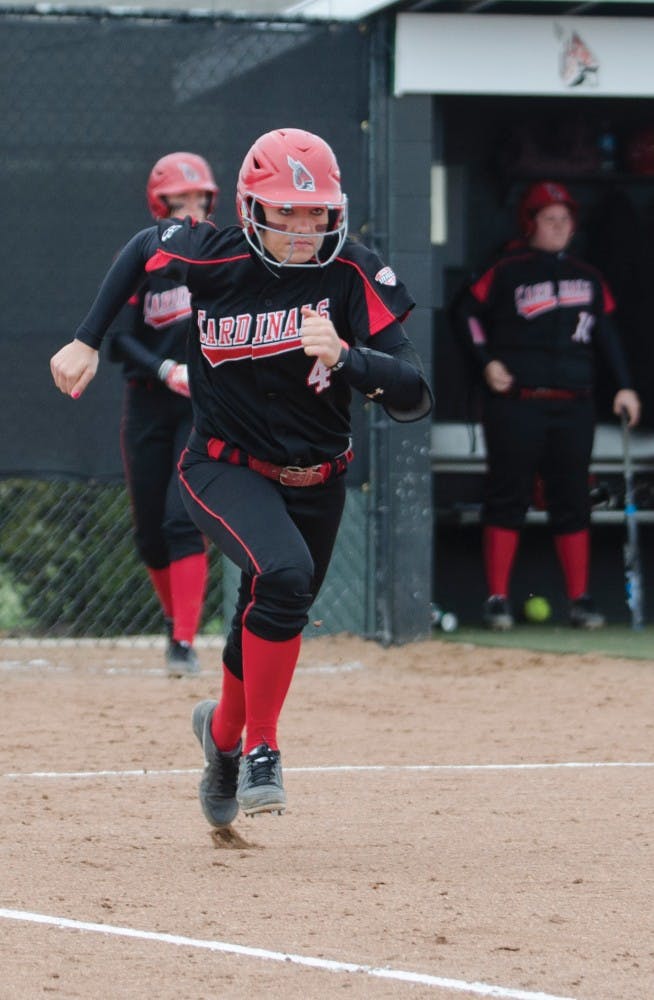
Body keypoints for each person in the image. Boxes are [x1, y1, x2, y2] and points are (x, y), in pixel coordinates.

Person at [50, 127, 433, 824]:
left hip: (318, 477)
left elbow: (414, 394)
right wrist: (85, 337)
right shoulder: (211, 253)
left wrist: (350, 359)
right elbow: (143, 248)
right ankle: (263, 749)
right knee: (284, 576)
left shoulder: (351, 272)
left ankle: (221, 740)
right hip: (221, 464)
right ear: (251, 208)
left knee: (270, 608)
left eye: (315, 212)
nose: (302, 226)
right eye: (285, 210)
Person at [453, 180, 640, 631]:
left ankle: (581, 600)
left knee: (573, 500)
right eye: (549, 219)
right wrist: (486, 363)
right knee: (508, 497)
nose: (558, 227)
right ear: (530, 223)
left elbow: (607, 336)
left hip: (574, 405)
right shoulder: (506, 268)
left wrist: (625, 386)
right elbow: (464, 315)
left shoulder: (589, 276)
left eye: (565, 219)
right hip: (517, 403)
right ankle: (497, 599)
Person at [108, 152, 219, 676]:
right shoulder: (144, 257)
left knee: (182, 519)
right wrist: (164, 370)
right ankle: (177, 625)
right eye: (181, 199)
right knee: (150, 532)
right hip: (150, 400)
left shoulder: (220, 254)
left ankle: (183, 641)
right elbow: (120, 340)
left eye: (200, 198)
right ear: (160, 202)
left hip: (201, 405)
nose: (192, 208)